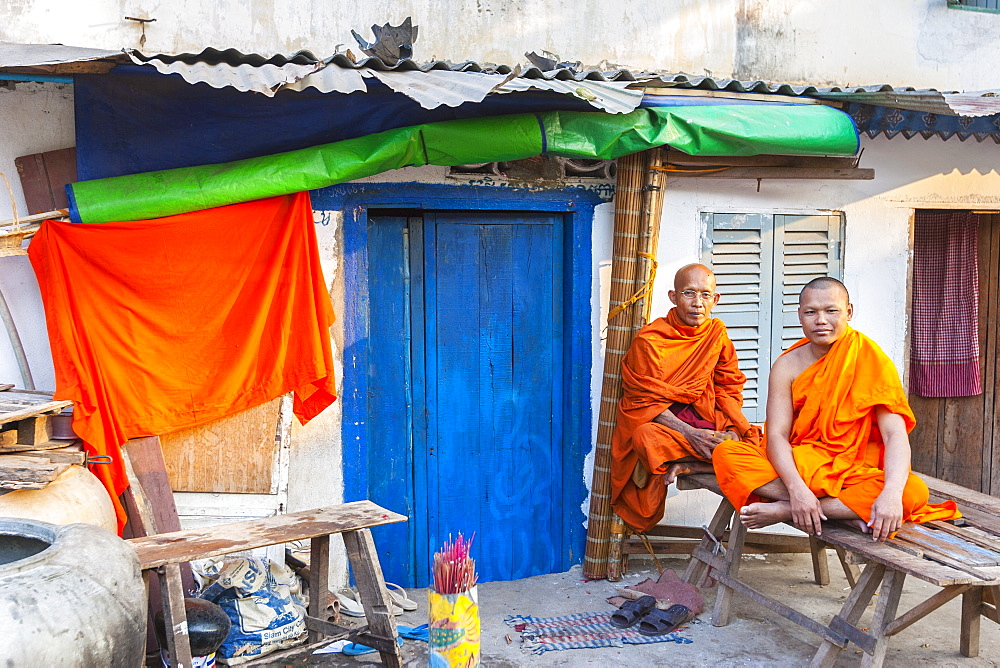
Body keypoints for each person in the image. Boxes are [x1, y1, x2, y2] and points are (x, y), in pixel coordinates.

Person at [713, 277, 960, 542]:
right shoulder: (786, 366)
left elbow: (895, 435)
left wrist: (890, 492)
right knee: (727, 454)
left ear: (849, 312)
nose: (821, 320)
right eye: (811, 312)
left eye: (831, 311)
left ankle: (784, 511)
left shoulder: (870, 358)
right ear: (799, 315)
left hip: (854, 469)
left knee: (912, 491)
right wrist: (797, 490)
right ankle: (845, 510)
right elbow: (776, 436)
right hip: (805, 464)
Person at [609, 263, 759, 533]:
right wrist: (691, 434)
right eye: (689, 293)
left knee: (765, 439)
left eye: (704, 295)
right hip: (672, 430)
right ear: (673, 297)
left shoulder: (716, 335)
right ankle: (714, 456)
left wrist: (725, 426)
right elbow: (645, 402)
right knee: (644, 438)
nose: (697, 303)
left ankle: (690, 465)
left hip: (709, 425)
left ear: (715, 299)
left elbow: (730, 388)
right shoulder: (651, 340)